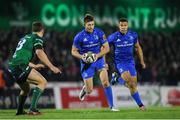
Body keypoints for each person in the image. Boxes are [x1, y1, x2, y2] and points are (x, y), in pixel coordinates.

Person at [8, 21, 61, 115]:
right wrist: (52, 67)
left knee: (26, 89)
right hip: (20, 66)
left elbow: (21, 57)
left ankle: (20, 111)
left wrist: (35, 66)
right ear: (42, 30)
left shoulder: (24, 38)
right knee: (42, 81)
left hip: (13, 66)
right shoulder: (37, 38)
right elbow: (39, 52)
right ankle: (33, 109)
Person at [71, 14, 118, 111]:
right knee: (90, 90)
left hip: (99, 60)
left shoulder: (99, 33)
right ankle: (85, 89)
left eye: (92, 24)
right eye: (89, 25)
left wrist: (98, 56)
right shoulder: (79, 37)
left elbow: (107, 48)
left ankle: (112, 106)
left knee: (105, 82)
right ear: (84, 25)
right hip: (86, 64)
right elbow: (73, 51)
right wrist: (82, 56)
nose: (91, 27)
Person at [108, 18, 146, 110]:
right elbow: (105, 48)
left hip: (130, 62)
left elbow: (138, 47)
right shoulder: (113, 37)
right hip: (120, 63)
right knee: (130, 82)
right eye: (121, 25)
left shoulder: (133, 35)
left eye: (125, 25)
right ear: (119, 26)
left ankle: (116, 78)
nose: (123, 27)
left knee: (133, 86)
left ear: (127, 26)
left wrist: (142, 61)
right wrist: (104, 62)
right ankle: (141, 105)